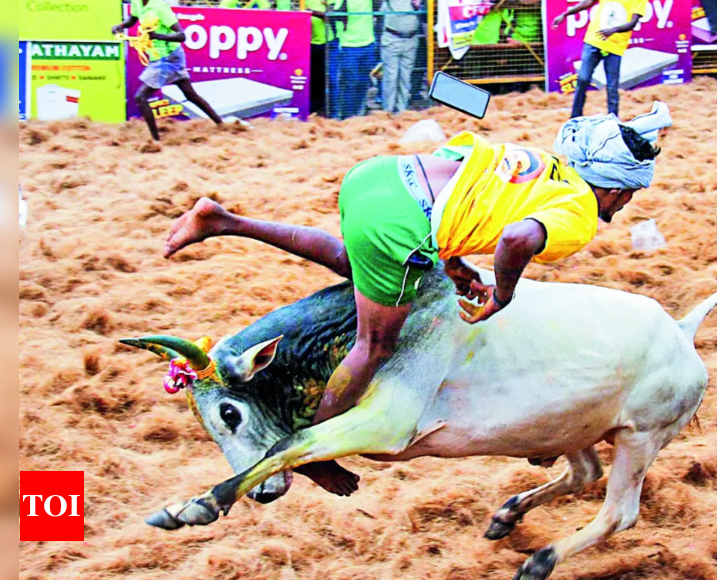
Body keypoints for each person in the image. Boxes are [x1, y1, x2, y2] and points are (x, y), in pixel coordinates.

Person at [162, 103, 672, 433]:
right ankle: (310, 445)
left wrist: (451, 261)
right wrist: (503, 295)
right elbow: (517, 238)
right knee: (375, 346)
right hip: (402, 226)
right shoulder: (580, 214)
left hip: (377, 178)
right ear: (614, 185)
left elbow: (464, 176)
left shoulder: (536, 160)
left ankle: (221, 220)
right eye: (630, 192)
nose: (627, 202)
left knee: (353, 261)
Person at [113, 0, 225, 142]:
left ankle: (155, 141)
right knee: (190, 94)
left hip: (168, 57)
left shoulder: (160, 7)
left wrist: (158, 36)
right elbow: (132, 20)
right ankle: (221, 124)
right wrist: (121, 26)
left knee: (140, 97)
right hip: (160, 57)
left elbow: (181, 35)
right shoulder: (137, 3)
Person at [552, 0, 649, 118]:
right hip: (594, 40)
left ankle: (613, 119)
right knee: (582, 79)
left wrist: (614, 30)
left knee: (612, 86)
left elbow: (632, 23)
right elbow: (587, 2)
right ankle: (575, 117)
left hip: (615, 47)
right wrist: (565, 14)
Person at [335, 0, 378, 118]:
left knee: (364, 82)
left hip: (368, 44)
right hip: (349, 46)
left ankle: (359, 113)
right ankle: (347, 115)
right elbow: (335, 15)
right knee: (351, 82)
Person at [380, 0, 422, 114]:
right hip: (392, 38)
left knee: (405, 77)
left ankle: (402, 111)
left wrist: (418, 5)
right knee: (391, 78)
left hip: (411, 39)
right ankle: (387, 112)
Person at [308, 0, 331, 116]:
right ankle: (313, 108)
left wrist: (313, 13)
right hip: (310, 43)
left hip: (328, 42)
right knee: (312, 77)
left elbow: (332, 16)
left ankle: (324, 107)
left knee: (325, 78)